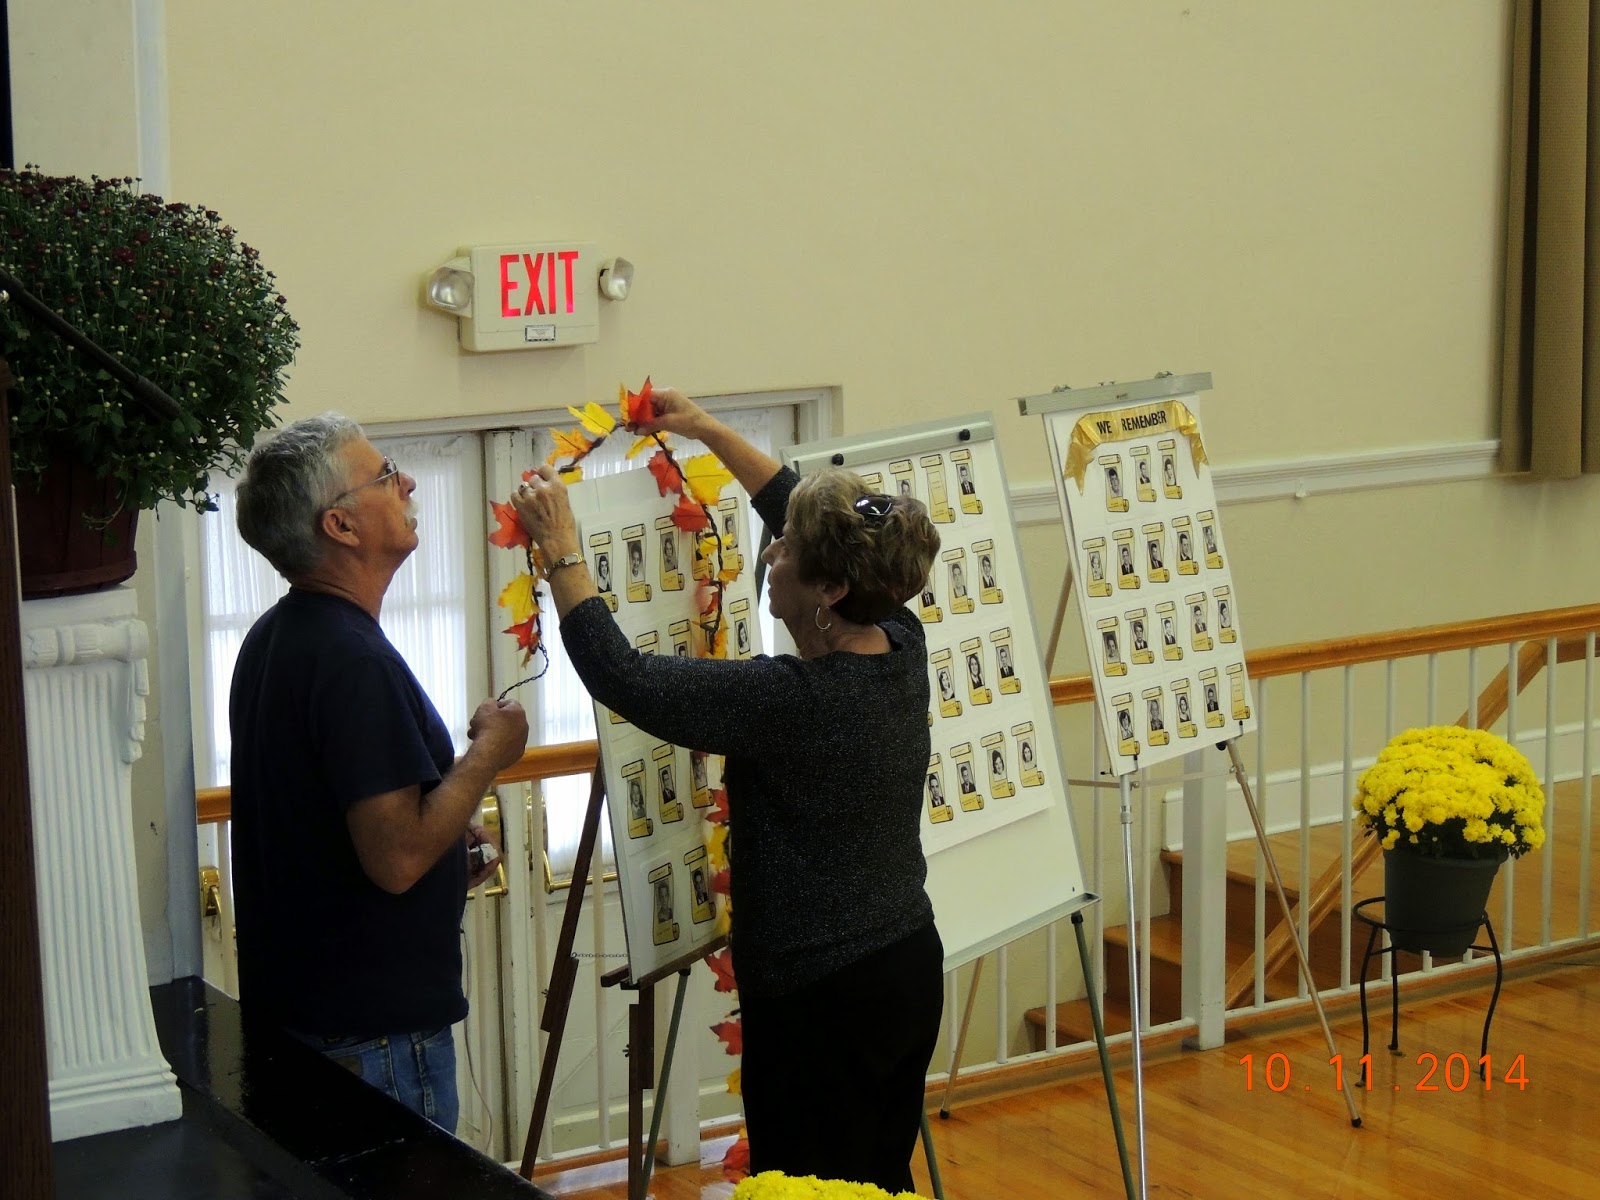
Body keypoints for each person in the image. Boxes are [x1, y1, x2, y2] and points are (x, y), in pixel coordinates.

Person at [510, 387, 943, 1193]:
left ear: (829, 590)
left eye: (784, 551)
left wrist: (562, 548)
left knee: (810, 1190)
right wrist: (705, 429)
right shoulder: (900, 637)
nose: (769, 554)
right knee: (875, 1179)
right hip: (902, 966)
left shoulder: (794, 701)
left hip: (823, 999)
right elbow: (805, 513)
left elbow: (625, 677)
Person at [229, 414, 528, 1133]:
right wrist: (488, 755)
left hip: (308, 1019)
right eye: (387, 476)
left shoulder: (276, 638)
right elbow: (395, 858)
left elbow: (331, 828)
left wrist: (447, 843)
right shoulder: (354, 660)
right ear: (340, 525)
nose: (409, 483)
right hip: (375, 1042)